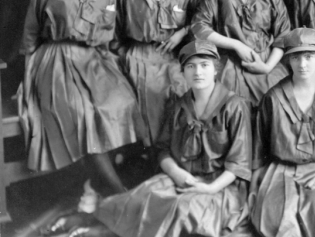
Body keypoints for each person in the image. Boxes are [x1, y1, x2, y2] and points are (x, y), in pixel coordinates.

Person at [18, 0, 145, 233]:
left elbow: (109, 32)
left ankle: (95, 188)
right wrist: (27, 77)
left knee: (123, 103)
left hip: (95, 59)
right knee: (82, 113)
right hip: (55, 61)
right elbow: (30, 37)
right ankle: (119, 193)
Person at [90, 41, 253, 237]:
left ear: (216, 69)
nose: (198, 72)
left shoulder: (234, 106)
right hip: (181, 178)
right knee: (142, 199)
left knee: (183, 210)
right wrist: (175, 172)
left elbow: (239, 164)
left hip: (220, 186)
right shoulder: (179, 106)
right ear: (183, 72)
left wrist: (210, 188)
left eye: (204, 65)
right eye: (190, 67)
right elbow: (163, 149)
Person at [250, 28, 315, 237]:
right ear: (288, 61)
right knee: (280, 219)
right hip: (282, 171)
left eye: (309, 57)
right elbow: (259, 149)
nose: (303, 64)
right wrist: (254, 188)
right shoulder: (273, 98)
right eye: (296, 58)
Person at [118, 0, 200, 144]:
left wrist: (182, 32)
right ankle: (152, 154)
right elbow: (116, 32)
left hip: (177, 55)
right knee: (150, 95)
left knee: (184, 90)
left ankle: (180, 153)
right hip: (141, 56)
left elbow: (202, 22)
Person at [192, 0, 290, 106]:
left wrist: (267, 67)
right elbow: (199, 27)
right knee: (229, 103)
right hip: (230, 65)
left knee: (277, 102)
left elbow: (283, 35)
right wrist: (236, 45)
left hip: (266, 62)